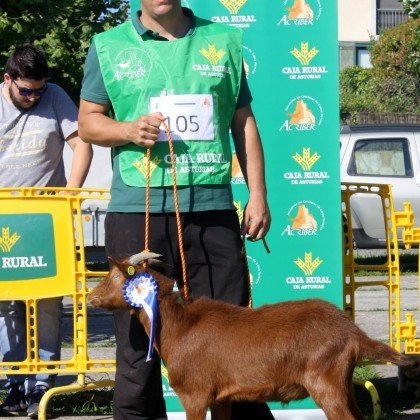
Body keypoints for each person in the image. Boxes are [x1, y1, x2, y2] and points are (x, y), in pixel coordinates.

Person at [78, 1, 271, 419]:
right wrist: (127, 129)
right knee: (137, 350)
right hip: (138, 210)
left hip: (212, 208)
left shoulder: (222, 40)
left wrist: (258, 194)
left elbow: (243, 122)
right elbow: (89, 122)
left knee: (234, 342)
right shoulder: (108, 45)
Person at [0, 45, 92, 418]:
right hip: (5, 219)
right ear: (8, 80)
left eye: (40, 89)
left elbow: (81, 142)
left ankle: (43, 384)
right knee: (7, 304)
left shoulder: (55, 97)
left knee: (49, 302)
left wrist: (72, 192)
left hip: (47, 218)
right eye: (26, 91)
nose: (34, 97)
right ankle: (15, 382)